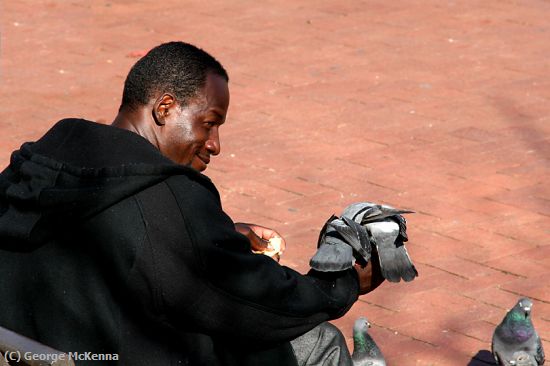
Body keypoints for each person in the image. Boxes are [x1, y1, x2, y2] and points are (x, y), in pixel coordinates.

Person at [0, 41, 384, 365]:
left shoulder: (33, 169)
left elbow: (116, 239)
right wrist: (344, 283)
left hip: (30, 351)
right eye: (209, 123)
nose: (215, 144)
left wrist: (215, 235)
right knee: (320, 343)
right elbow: (255, 303)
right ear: (164, 108)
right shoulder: (166, 198)